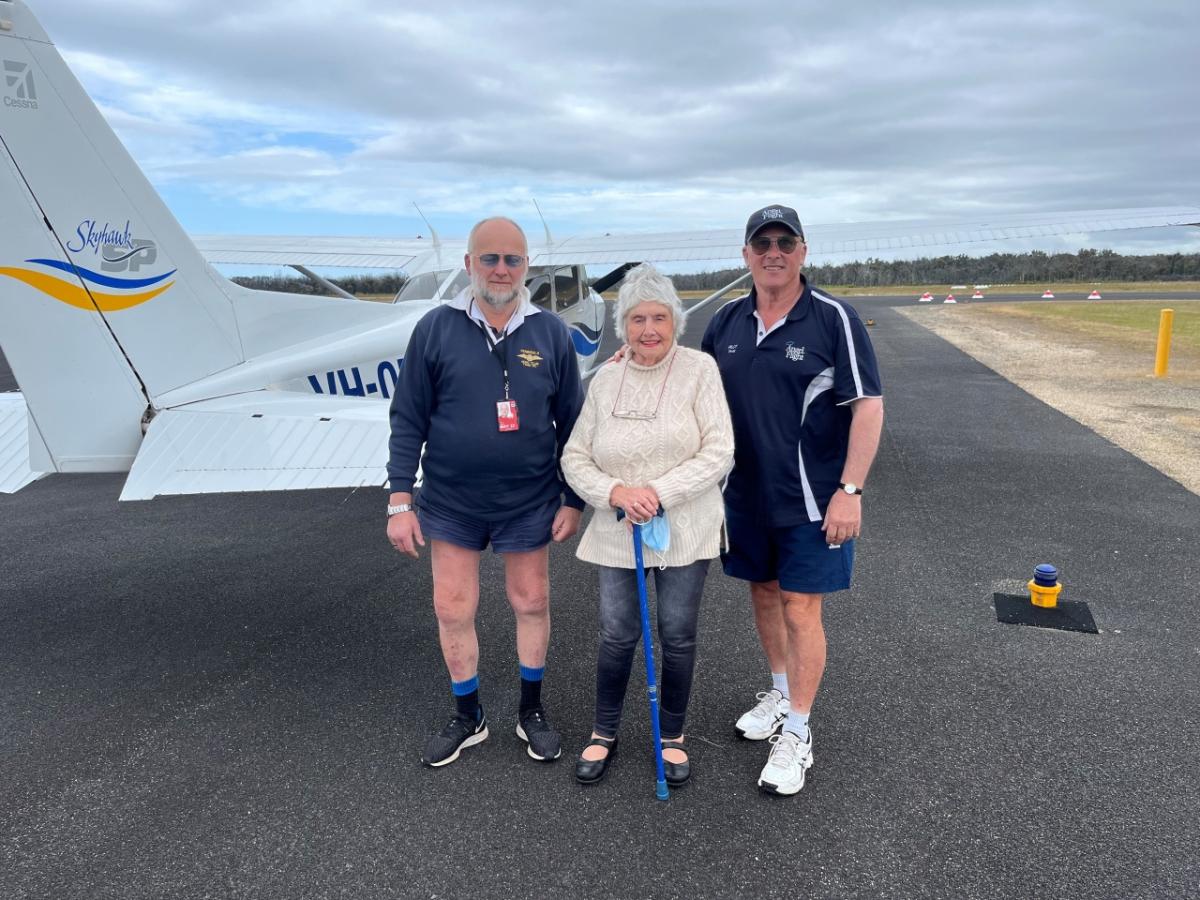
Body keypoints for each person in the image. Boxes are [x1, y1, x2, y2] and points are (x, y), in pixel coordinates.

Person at [386, 216, 584, 768]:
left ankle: (531, 710)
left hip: (529, 498)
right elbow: (408, 418)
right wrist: (400, 498)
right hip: (451, 500)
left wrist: (573, 498)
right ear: (469, 264)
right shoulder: (435, 328)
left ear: (527, 268)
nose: (501, 269)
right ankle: (467, 714)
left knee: (532, 601)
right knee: (452, 607)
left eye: (513, 259)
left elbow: (572, 423)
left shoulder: (550, 333)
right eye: (489, 258)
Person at [700, 204, 884, 796]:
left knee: (803, 608)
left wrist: (850, 491)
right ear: (746, 254)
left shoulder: (832, 318)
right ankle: (780, 694)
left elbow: (868, 406)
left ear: (803, 251)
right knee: (763, 592)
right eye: (762, 243)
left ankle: (799, 731)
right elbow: (689, 386)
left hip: (811, 499)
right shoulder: (726, 322)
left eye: (785, 241)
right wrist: (633, 360)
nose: (773, 252)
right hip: (744, 496)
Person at [561, 264, 734, 787]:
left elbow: (719, 449)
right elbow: (575, 456)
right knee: (617, 634)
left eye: (659, 317)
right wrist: (615, 493)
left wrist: (658, 494)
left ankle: (672, 736)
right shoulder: (607, 377)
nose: (649, 330)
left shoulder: (700, 369)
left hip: (687, 525)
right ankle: (604, 732)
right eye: (638, 319)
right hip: (618, 530)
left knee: (677, 634)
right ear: (624, 325)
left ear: (675, 321)